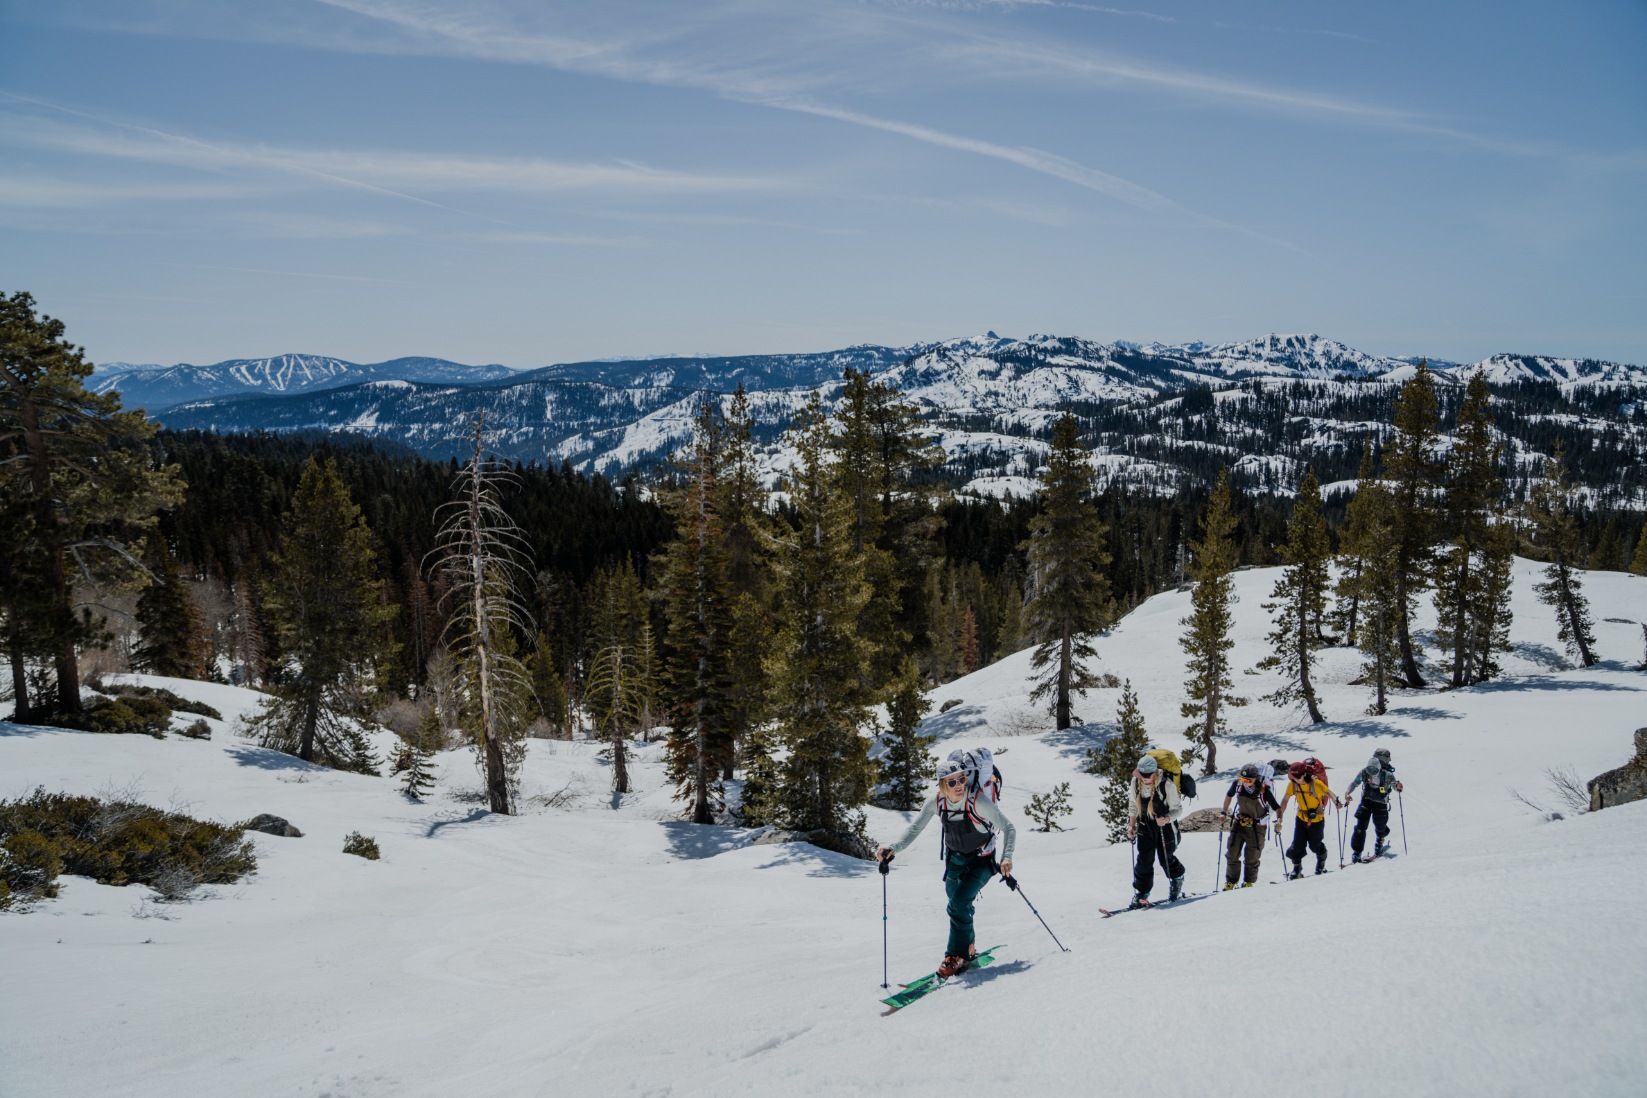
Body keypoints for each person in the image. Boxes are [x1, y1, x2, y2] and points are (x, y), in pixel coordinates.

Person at [875, 755, 1016, 980]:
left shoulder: (977, 801)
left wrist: (1007, 858)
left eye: (961, 780)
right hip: (954, 860)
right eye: (952, 782)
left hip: (982, 861)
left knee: (959, 903)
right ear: (942, 785)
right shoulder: (937, 802)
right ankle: (968, 947)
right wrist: (893, 848)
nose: (958, 785)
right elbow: (914, 829)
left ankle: (954, 957)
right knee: (958, 903)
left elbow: (1009, 827)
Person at [1126, 754, 1185, 907]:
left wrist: (1166, 819)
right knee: (1144, 859)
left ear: (1155, 772)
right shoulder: (1135, 782)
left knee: (1166, 857)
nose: (1143, 778)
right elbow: (1133, 806)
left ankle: (1177, 879)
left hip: (1164, 826)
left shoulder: (1167, 785)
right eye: (1141, 775)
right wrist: (1131, 825)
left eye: (1146, 775)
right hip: (1145, 824)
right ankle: (1141, 892)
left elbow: (1177, 810)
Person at [1275, 757, 1341, 878]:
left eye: (1296, 778)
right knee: (1297, 846)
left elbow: (1329, 793)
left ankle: (1321, 861)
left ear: (1304, 774)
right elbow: (1285, 801)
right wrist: (1280, 818)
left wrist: (1336, 801)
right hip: (1301, 818)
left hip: (1317, 820)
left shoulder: (1316, 784)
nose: (1294, 780)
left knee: (1315, 845)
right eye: (1292, 777)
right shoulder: (1293, 784)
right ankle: (1297, 869)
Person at [1218, 762, 1279, 889]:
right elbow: (1229, 796)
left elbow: (1277, 807)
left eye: (1248, 780)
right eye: (1242, 778)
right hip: (1240, 823)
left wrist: (1279, 821)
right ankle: (1231, 881)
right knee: (1232, 853)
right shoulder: (1237, 784)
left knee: (1252, 856)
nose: (1244, 781)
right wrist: (1223, 812)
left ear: (1255, 779)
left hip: (1257, 826)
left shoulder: (1264, 790)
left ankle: (1249, 882)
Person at [1344, 748, 1403, 862]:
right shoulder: (1364, 772)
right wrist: (1347, 793)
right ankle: (1357, 852)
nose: (1372, 773)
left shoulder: (1387, 775)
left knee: (1380, 826)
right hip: (1366, 801)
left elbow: (1395, 785)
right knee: (1360, 827)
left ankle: (1379, 842)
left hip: (1380, 803)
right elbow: (1355, 783)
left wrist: (1398, 787)